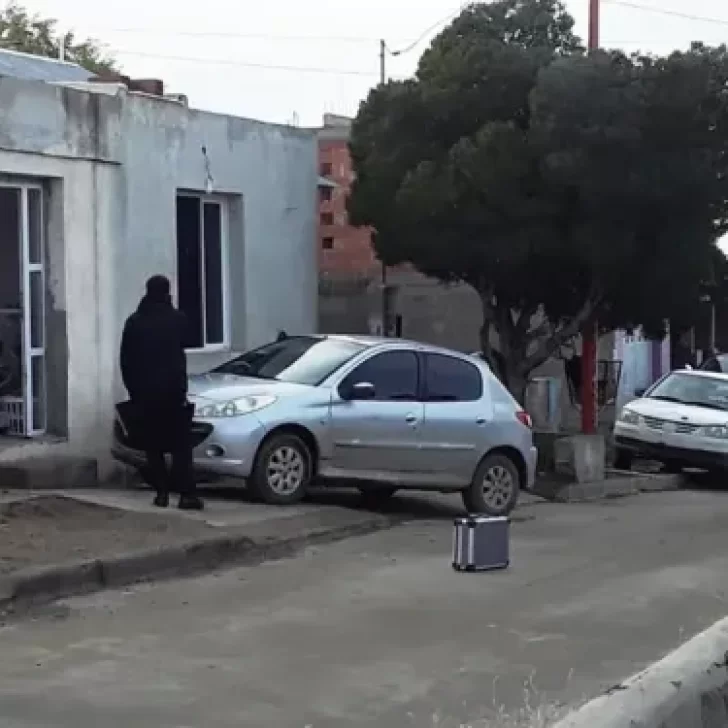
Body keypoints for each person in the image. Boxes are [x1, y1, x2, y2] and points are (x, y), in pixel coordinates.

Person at [120, 275, 203, 510]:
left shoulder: (135, 321)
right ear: (168, 293)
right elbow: (189, 340)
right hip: (174, 394)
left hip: (145, 395)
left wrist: (134, 390)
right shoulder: (177, 319)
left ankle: (161, 493)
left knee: (153, 446)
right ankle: (187, 494)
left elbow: (125, 360)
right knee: (181, 446)